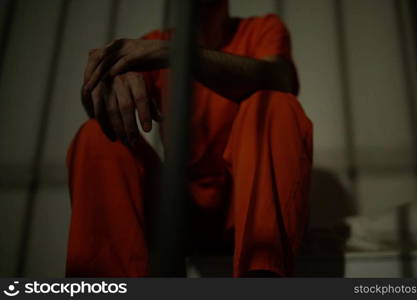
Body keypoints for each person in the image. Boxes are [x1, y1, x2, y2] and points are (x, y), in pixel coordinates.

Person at [66, 0, 313, 277]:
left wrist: (179, 54)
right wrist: (106, 84)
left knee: (274, 104)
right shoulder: (156, 43)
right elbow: (102, 111)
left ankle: (262, 277)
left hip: (247, 209)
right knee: (96, 135)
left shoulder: (261, 29)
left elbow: (279, 78)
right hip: (178, 215)